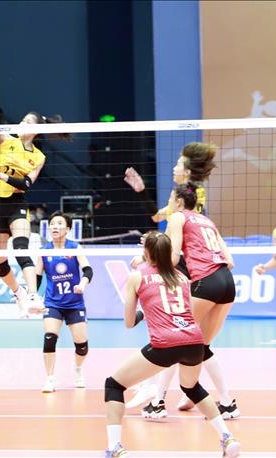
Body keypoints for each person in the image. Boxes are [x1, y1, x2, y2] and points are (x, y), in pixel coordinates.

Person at [103, 231, 240, 458]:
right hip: (194, 341)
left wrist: (141, 313)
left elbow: (128, 323)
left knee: (113, 385)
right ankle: (228, 438)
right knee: (191, 387)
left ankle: (115, 449)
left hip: (165, 343)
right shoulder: (183, 279)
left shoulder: (137, 276)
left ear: (146, 253)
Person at [123, 142, 217, 411]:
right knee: (192, 340)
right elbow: (155, 217)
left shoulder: (193, 196)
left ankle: (156, 392)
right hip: (183, 269)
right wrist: (141, 191)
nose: (174, 167)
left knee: (175, 335)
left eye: (178, 163)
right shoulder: (177, 196)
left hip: (188, 270)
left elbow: (181, 235)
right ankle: (195, 394)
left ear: (187, 171)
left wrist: (147, 254)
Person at [0, 107, 64, 316]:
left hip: (17, 203)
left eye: (27, 122)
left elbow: (25, 183)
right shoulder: (5, 139)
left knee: (21, 247)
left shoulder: (39, 157)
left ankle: (34, 295)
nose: (22, 123)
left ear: (36, 130)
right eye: (22, 120)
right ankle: (18, 292)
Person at [36, 212, 92, 392]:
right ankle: (50, 379)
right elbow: (37, 277)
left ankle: (77, 370)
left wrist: (83, 283)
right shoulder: (44, 251)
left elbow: (88, 270)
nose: (54, 226)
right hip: (52, 302)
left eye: (59, 224)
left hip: (74, 303)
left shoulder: (74, 247)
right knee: (49, 337)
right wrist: (32, 296)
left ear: (67, 229)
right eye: (52, 224)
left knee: (81, 345)